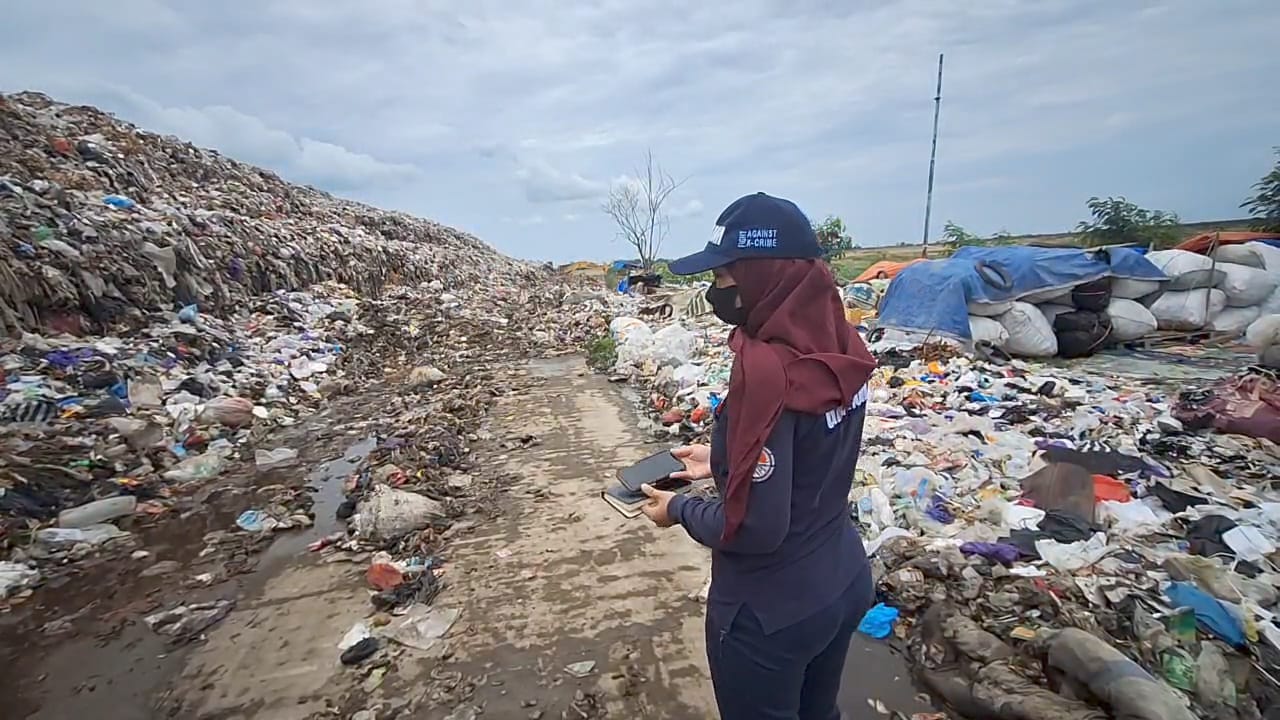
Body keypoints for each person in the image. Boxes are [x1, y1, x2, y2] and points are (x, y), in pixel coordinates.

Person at [638, 192, 879, 720]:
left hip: (771, 610)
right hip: (841, 578)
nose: (715, 291)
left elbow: (753, 528)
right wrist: (722, 457)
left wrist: (677, 510)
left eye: (725, 278)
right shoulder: (843, 347)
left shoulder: (768, 371)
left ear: (762, 277)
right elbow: (811, 452)